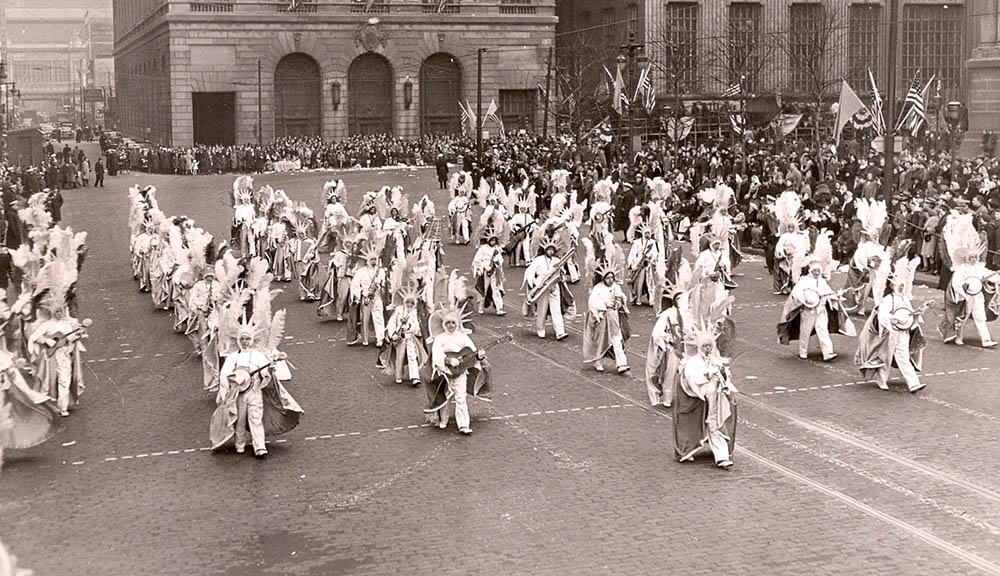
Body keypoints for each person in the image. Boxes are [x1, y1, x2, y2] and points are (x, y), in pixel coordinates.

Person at [210, 327, 302, 457]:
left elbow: (265, 373)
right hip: (239, 395)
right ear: (238, 340)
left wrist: (268, 370)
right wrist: (231, 385)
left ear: (252, 340)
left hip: (255, 392)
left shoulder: (258, 356)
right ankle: (239, 444)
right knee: (239, 420)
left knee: (256, 418)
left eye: (247, 339)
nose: (245, 341)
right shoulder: (232, 357)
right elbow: (224, 375)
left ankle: (260, 447)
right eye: (242, 339)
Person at [777, 232, 855, 361]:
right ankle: (803, 352)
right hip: (808, 310)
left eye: (818, 271)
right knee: (805, 331)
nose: (817, 273)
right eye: (815, 271)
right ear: (810, 271)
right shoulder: (804, 281)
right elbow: (796, 293)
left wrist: (837, 297)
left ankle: (828, 352)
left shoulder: (823, 282)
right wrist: (806, 300)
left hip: (821, 310)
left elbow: (829, 293)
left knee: (822, 329)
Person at [855, 256, 927, 393]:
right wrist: (893, 319)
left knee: (903, 357)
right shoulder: (889, 299)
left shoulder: (906, 300)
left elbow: (910, 314)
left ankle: (913, 383)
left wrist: (920, 312)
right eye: (899, 286)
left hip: (904, 332)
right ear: (893, 286)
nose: (901, 287)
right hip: (891, 331)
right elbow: (882, 314)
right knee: (886, 356)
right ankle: (881, 379)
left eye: (903, 286)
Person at [939, 210, 1000, 347]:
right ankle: (958, 337)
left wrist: (997, 276)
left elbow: (989, 274)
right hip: (965, 297)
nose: (973, 260)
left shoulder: (979, 268)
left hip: (977, 296)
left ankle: (986, 340)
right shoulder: (961, 269)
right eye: (971, 258)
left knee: (980, 317)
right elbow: (956, 283)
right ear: (967, 259)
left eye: (975, 257)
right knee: (962, 318)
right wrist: (963, 290)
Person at [429, 305, 487, 435]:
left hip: (460, 372)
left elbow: (472, 352)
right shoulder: (440, 338)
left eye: (453, 323)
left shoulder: (463, 337)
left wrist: (479, 356)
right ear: (444, 324)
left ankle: (463, 424)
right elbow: (436, 355)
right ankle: (443, 419)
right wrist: (448, 361)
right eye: (448, 323)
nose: (450, 325)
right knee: (444, 397)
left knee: (461, 397)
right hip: (444, 372)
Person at [582, 265, 630, 374]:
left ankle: (622, 364)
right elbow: (592, 303)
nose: (610, 280)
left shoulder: (616, 287)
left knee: (617, 339)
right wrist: (604, 305)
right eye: (608, 278)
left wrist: (618, 302)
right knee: (601, 341)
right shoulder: (597, 288)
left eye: (612, 278)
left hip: (613, 318)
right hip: (602, 318)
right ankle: (598, 361)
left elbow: (621, 297)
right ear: (603, 278)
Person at [523, 237, 569, 340]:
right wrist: (535, 282)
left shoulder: (557, 260)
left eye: (552, 250)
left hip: (554, 285)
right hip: (542, 286)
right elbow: (529, 272)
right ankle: (540, 329)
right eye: (549, 249)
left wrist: (561, 274)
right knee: (542, 309)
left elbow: (562, 273)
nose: (551, 251)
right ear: (544, 250)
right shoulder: (538, 260)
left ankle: (560, 332)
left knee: (556, 309)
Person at [348, 250, 386, 347]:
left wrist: (381, 286)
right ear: (367, 260)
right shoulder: (361, 271)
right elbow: (354, 285)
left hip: (377, 296)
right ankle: (365, 339)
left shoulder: (381, 271)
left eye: (375, 259)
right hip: (365, 297)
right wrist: (361, 292)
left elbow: (385, 285)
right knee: (365, 318)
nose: (373, 261)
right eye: (371, 259)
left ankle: (380, 338)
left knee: (379, 317)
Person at [472, 230, 506, 316]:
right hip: (485, 272)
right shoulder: (482, 248)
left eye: (494, 240)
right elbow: (477, 260)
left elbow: (501, 259)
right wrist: (484, 267)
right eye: (492, 240)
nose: (493, 242)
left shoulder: (497, 249)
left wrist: (498, 263)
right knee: (484, 289)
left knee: (496, 289)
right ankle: (480, 307)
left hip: (495, 271)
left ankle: (499, 308)